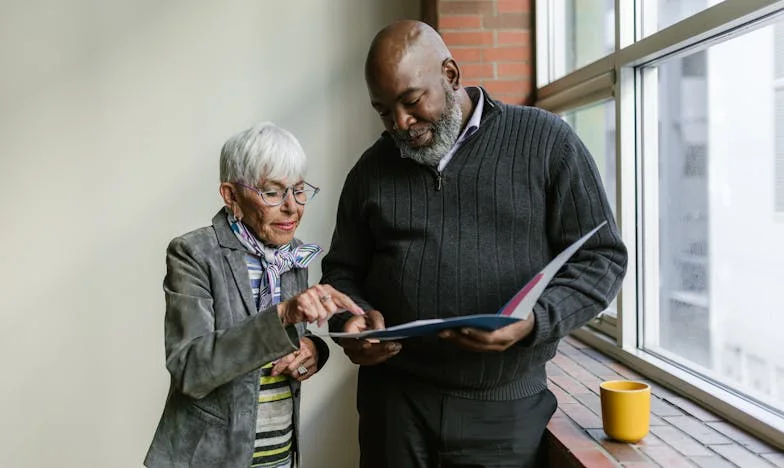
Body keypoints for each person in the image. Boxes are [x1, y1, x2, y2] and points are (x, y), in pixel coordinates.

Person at [321, 20, 628, 468]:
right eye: (384, 111)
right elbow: (341, 273)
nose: (401, 124)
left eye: (411, 101)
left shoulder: (546, 142)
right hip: (393, 407)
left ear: (450, 74)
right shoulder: (370, 170)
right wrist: (350, 322)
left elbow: (603, 258)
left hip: (502, 412)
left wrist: (535, 322)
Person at [144, 122, 364, 468]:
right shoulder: (195, 253)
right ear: (231, 196)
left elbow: (289, 343)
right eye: (273, 192)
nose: (292, 207)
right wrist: (282, 316)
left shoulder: (292, 255)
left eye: (299, 189)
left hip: (279, 457)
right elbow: (190, 369)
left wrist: (313, 350)